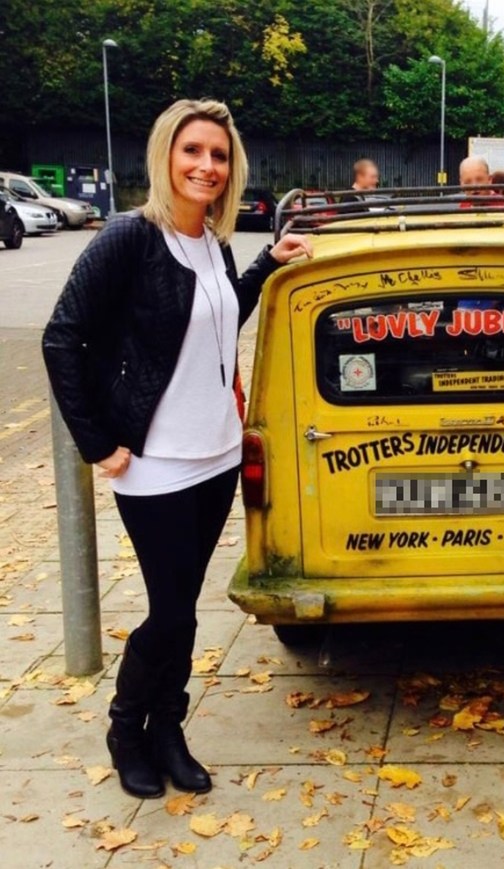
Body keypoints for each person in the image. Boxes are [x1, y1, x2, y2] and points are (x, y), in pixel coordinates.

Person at [42, 99, 312, 799]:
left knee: (185, 605)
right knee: (170, 611)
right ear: (166, 155)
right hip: (154, 461)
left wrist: (266, 263)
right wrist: (98, 442)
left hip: (218, 453)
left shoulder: (212, 243)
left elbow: (218, 317)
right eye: (193, 151)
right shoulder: (129, 237)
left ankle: (169, 728)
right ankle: (126, 727)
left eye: (219, 156)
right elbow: (62, 336)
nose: (207, 166)